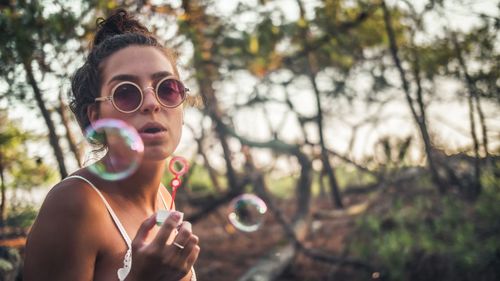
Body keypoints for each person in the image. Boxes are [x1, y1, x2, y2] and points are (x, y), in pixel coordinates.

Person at [23, 9, 199, 281]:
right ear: (96, 117)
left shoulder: (164, 197)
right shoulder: (76, 204)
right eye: (126, 93)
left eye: (167, 88)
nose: (152, 104)